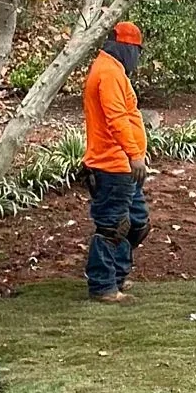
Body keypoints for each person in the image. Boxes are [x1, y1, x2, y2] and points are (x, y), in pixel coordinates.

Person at [82, 20, 150, 303]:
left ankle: (117, 276)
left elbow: (126, 118)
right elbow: (116, 119)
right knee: (112, 226)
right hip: (112, 165)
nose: (137, 57)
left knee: (137, 223)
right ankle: (103, 286)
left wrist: (138, 151)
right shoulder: (109, 73)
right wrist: (134, 154)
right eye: (136, 50)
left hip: (124, 164)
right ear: (126, 47)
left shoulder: (112, 70)